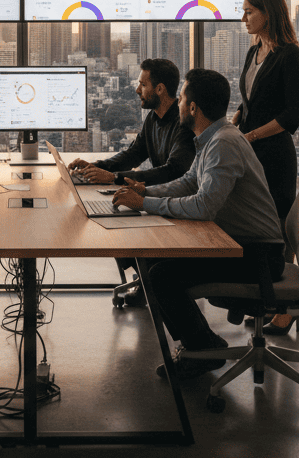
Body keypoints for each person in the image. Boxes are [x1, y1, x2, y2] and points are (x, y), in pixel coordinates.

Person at [113, 68, 285, 381]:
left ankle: (202, 349)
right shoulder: (213, 137)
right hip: (238, 242)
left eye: (180, 99)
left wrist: (146, 204)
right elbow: (190, 181)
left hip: (257, 255)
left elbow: (204, 206)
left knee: (162, 275)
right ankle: (201, 344)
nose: (177, 104)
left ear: (193, 108)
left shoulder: (223, 144)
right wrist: (146, 191)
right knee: (153, 261)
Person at [68, 57, 196, 305]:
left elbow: (174, 171)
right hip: (159, 195)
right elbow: (133, 155)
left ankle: (151, 283)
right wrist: (96, 167)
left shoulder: (182, 124)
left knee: (119, 218)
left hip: (176, 203)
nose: (138, 90)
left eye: (142, 84)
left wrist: (114, 178)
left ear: (159, 89)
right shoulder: (153, 119)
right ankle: (145, 280)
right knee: (113, 214)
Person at [234, 0, 299, 335]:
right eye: (244, 11)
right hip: (249, 151)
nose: (244, 17)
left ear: (268, 13)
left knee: (277, 227)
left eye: (249, 11)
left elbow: (293, 113)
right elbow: (250, 101)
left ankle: (287, 306)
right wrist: (234, 122)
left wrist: (251, 136)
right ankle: (264, 295)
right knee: (254, 224)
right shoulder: (254, 51)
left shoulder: (289, 55)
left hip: (274, 155)